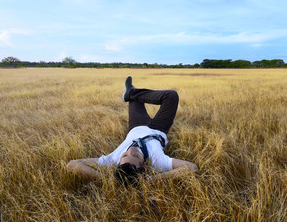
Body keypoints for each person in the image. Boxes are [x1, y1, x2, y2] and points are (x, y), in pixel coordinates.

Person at [67, 76, 198, 184]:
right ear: (144, 166)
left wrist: (108, 180)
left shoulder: (112, 159)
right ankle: (132, 93)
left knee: (134, 100)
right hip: (159, 128)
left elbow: (73, 164)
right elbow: (191, 168)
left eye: (125, 155)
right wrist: (151, 180)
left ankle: (131, 93)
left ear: (119, 161)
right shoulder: (158, 161)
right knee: (171, 96)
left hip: (137, 125)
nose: (131, 150)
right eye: (136, 156)